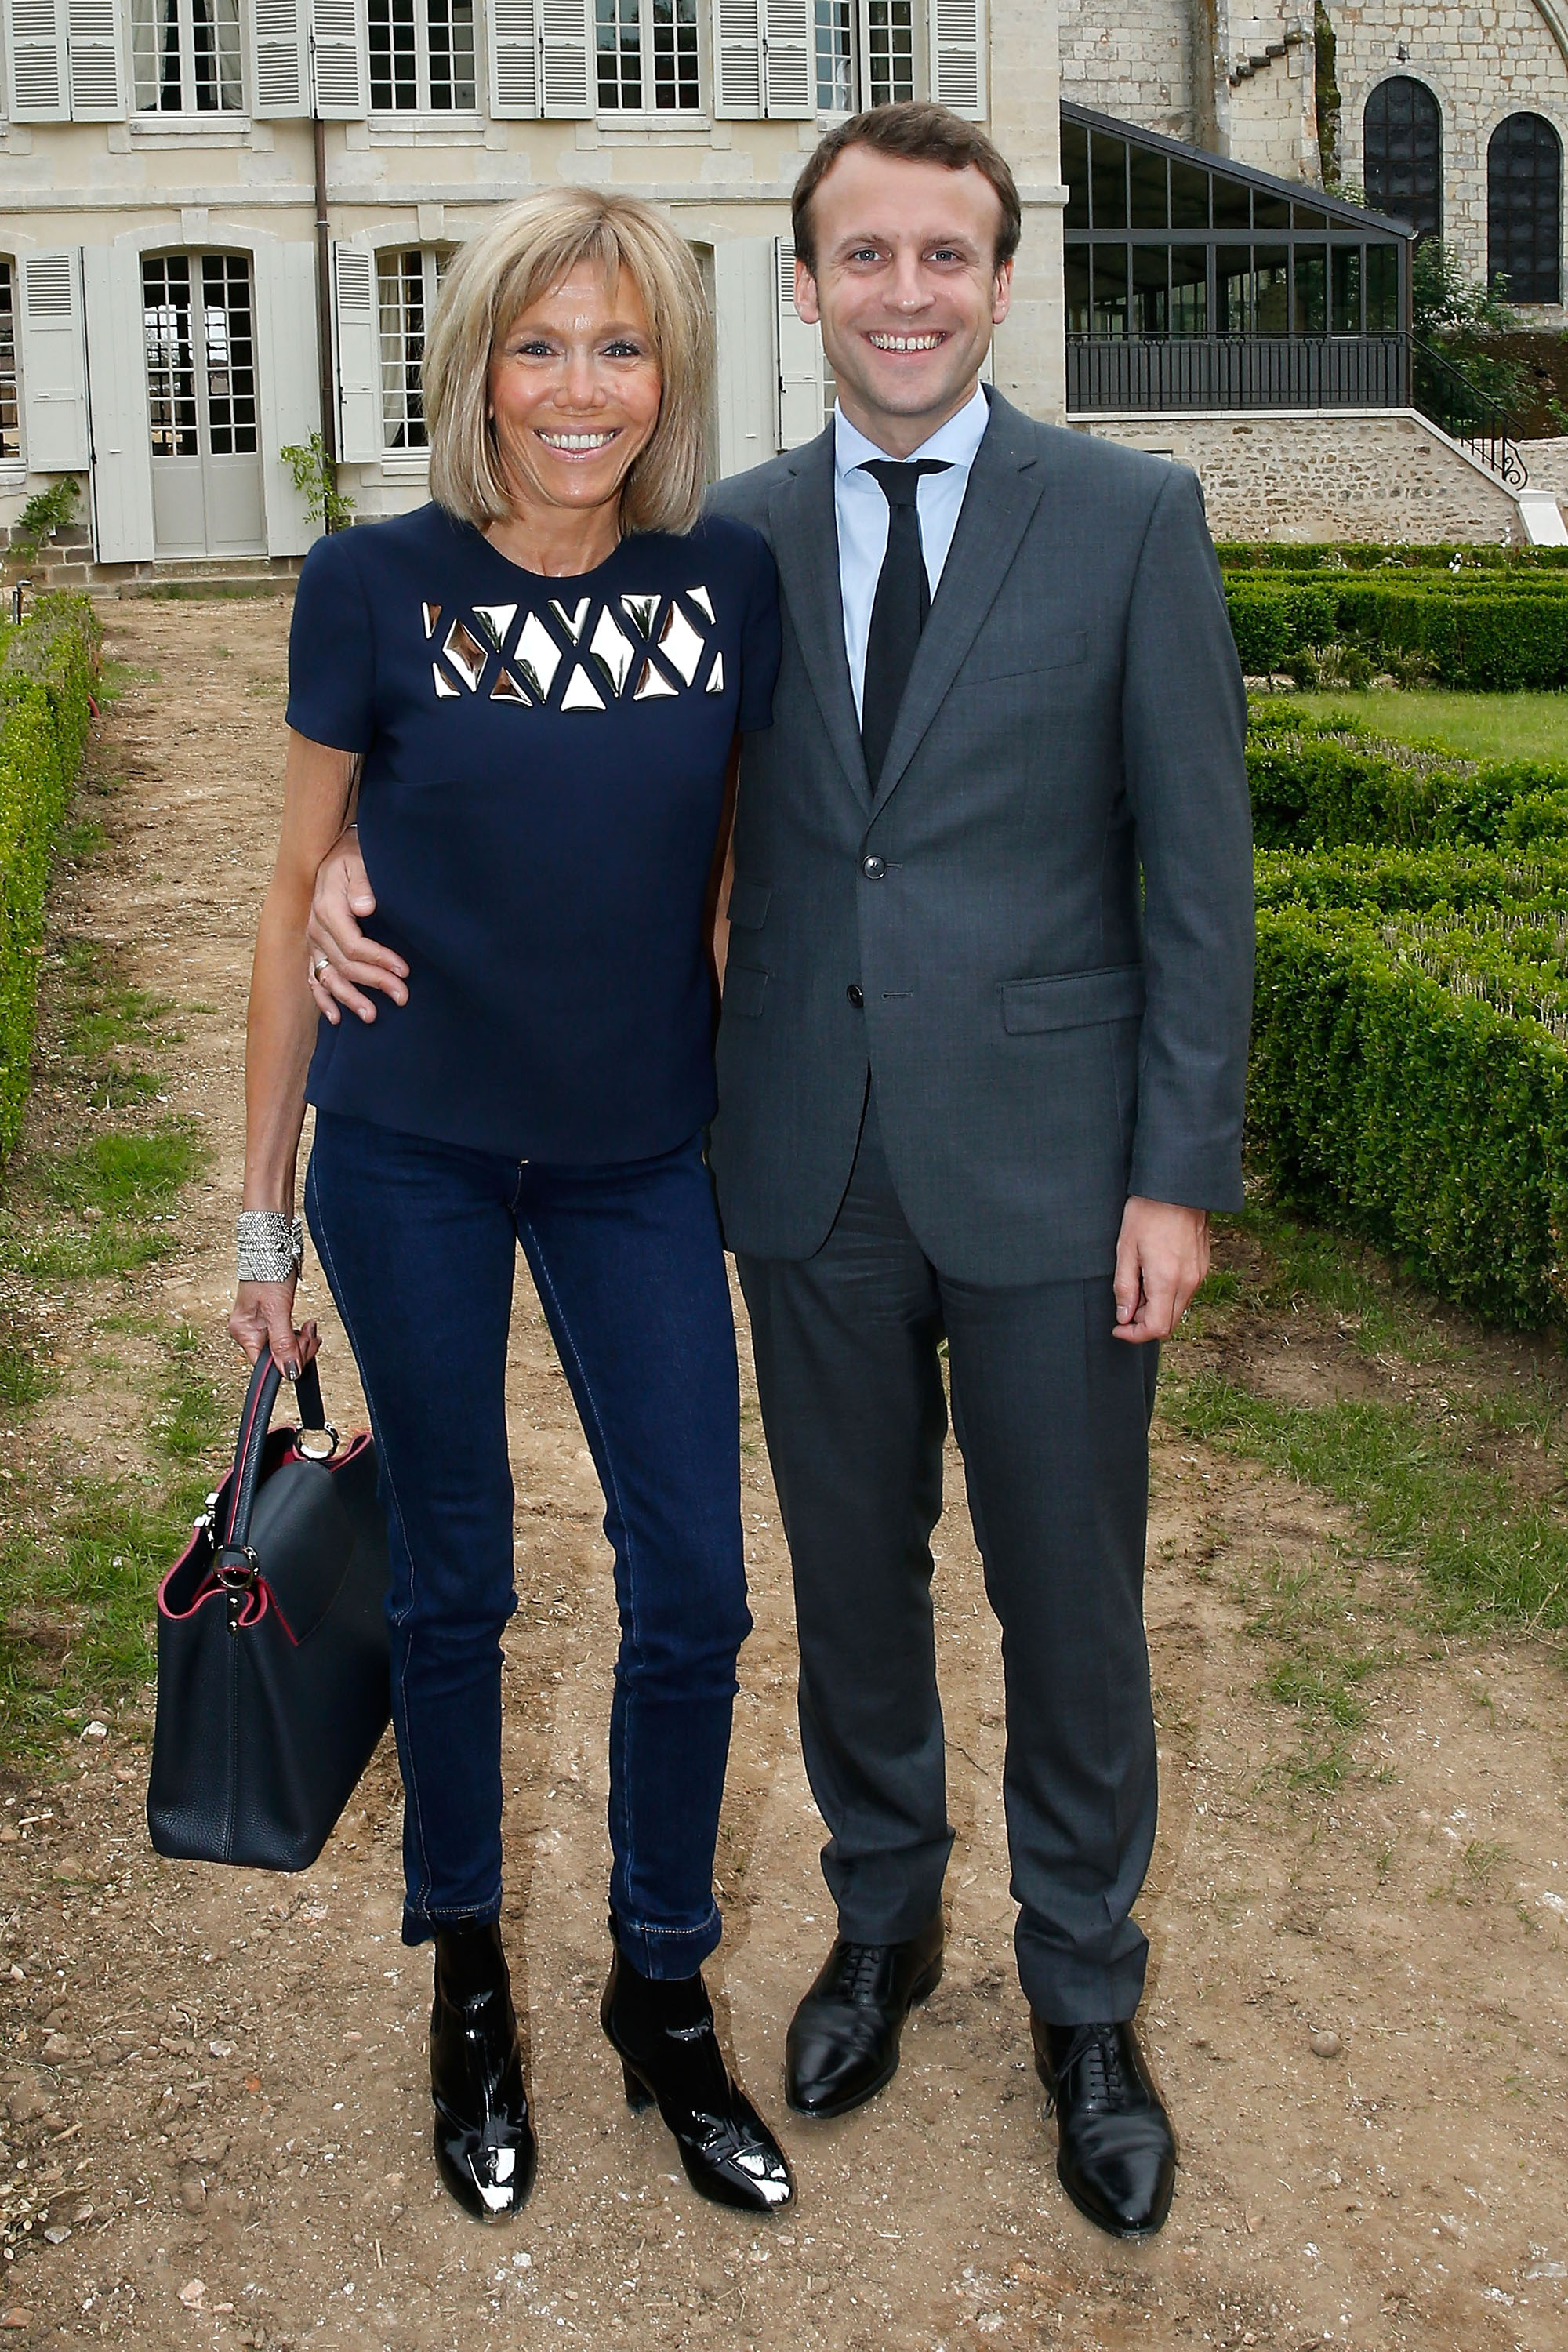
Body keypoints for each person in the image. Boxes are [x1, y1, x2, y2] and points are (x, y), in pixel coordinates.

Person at [307, 106, 1254, 2245]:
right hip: (795, 1165)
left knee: (1073, 1604)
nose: (905, 292)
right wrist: (357, 859)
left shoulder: (1127, 519)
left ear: (1002, 282)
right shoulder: (715, 542)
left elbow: (1201, 881)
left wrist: (1175, 1172)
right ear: (803, 288)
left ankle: (1087, 2005)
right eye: (864, 256)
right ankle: (885, 1929)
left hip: (1054, 1168)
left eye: (947, 254)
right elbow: (564, 777)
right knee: (847, 1590)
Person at [228, 187, 793, 2227]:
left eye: (620, 348)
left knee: (699, 1589)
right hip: (416, 1158)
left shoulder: (727, 579)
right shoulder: (371, 584)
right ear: (475, 367)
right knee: (458, 1583)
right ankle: (469, 1977)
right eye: (540, 346)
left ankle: (660, 1989)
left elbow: (735, 880)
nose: (580, 389)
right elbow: (296, 896)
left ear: (669, 376)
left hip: (642, 1156)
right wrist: (260, 1223)